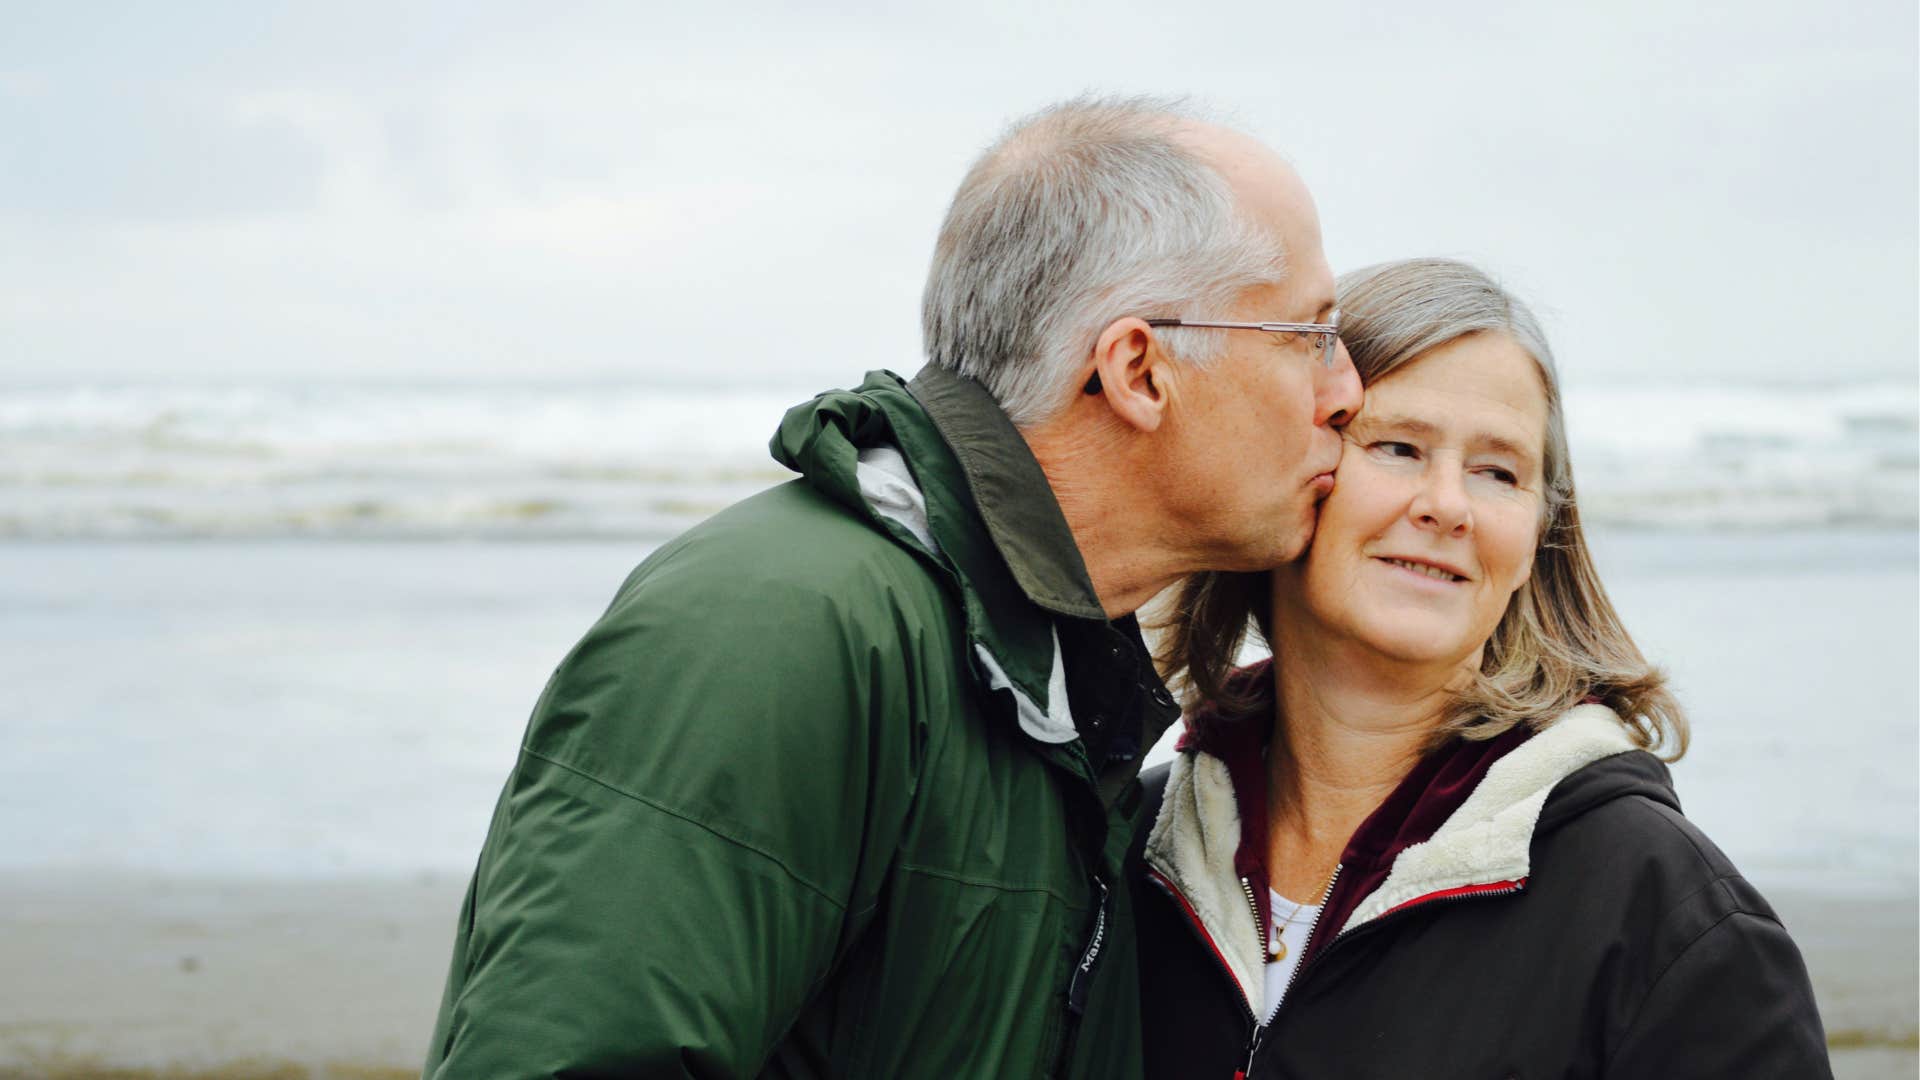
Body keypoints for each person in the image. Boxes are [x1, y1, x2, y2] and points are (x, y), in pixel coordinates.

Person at [422, 96, 1362, 1078]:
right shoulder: (779, 629)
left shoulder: (1046, 671)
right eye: (1310, 335)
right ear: (1139, 370)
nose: (1347, 391)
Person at [1131, 258, 1830, 1078]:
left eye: (1498, 471)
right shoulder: (1133, 851)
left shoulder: (1668, 916)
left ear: (1539, 536)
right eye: (1396, 447)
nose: (1448, 505)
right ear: (1294, 470)